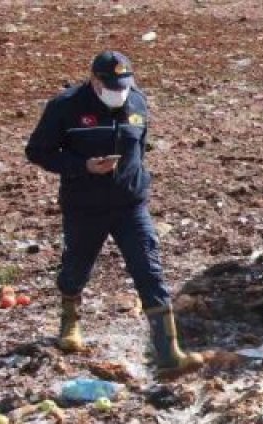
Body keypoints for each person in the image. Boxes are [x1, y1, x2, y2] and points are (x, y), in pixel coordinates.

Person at [24, 50, 202, 375]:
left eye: (124, 85)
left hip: (130, 205)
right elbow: (37, 151)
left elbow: (141, 146)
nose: (119, 92)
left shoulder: (137, 101)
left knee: (149, 271)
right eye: (112, 86)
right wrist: (83, 166)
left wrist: (136, 179)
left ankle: (169, 353)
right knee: (76, 267)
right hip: (84, 206)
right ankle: (69, 323)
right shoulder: (65, 106)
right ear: (94, 80)